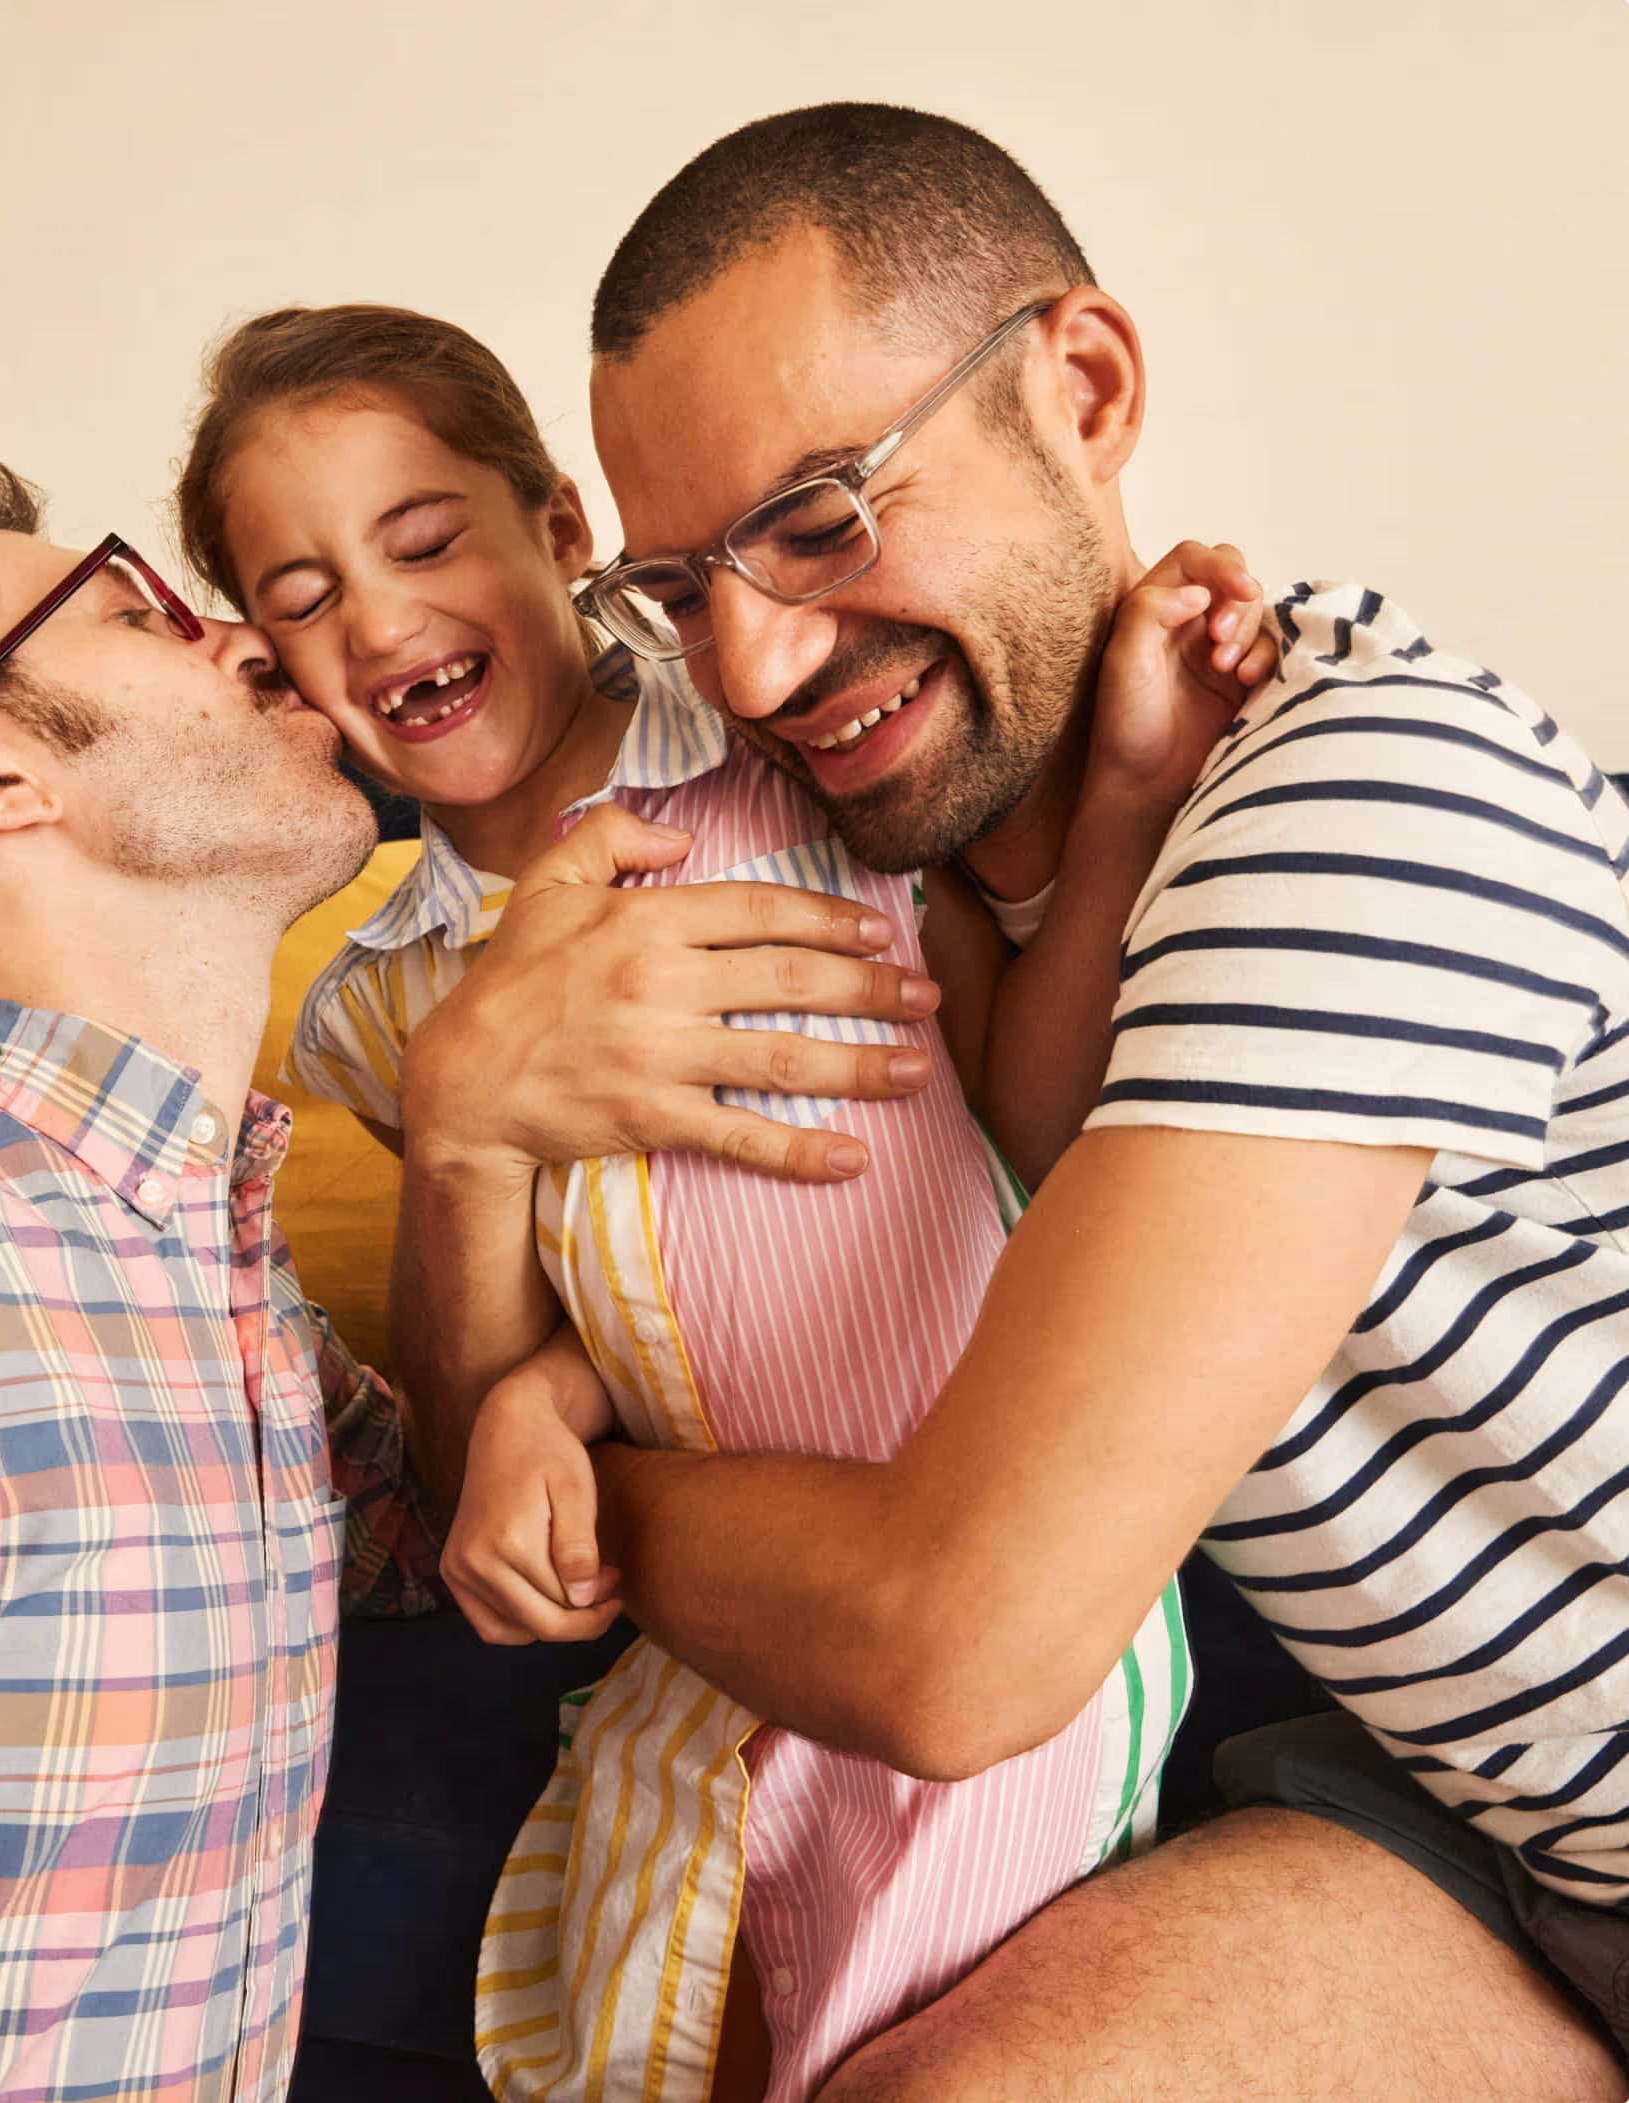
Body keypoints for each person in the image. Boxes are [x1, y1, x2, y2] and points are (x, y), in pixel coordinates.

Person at [392, 104, 1629, 2101]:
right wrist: (465, 1160)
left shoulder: (1373, 793)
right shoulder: (824, 867)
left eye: (821, 516)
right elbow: (725, 1317)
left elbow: (952, 1647)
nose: (765, 657)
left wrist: (576, 1501)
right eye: (687, 584)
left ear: (1083, 387)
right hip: (1459, 1820)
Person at [0, 444, 926, 2103]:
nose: (245, 636)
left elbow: (452, 1538)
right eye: (137, 609)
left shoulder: (217, 1286)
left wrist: (466, 1137)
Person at [174, 303, 1275, 2102]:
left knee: (910, 2018)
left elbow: (1019, 1110)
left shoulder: (798, 757)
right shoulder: (373, 1001)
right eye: (298, 598)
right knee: (662, 2002)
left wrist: (1136, 794)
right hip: (706, 1627)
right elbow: (569, 1338)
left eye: (424, 540)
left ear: (556, 531)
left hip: (986, 1586)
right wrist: (533, 1389)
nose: (374, 622)